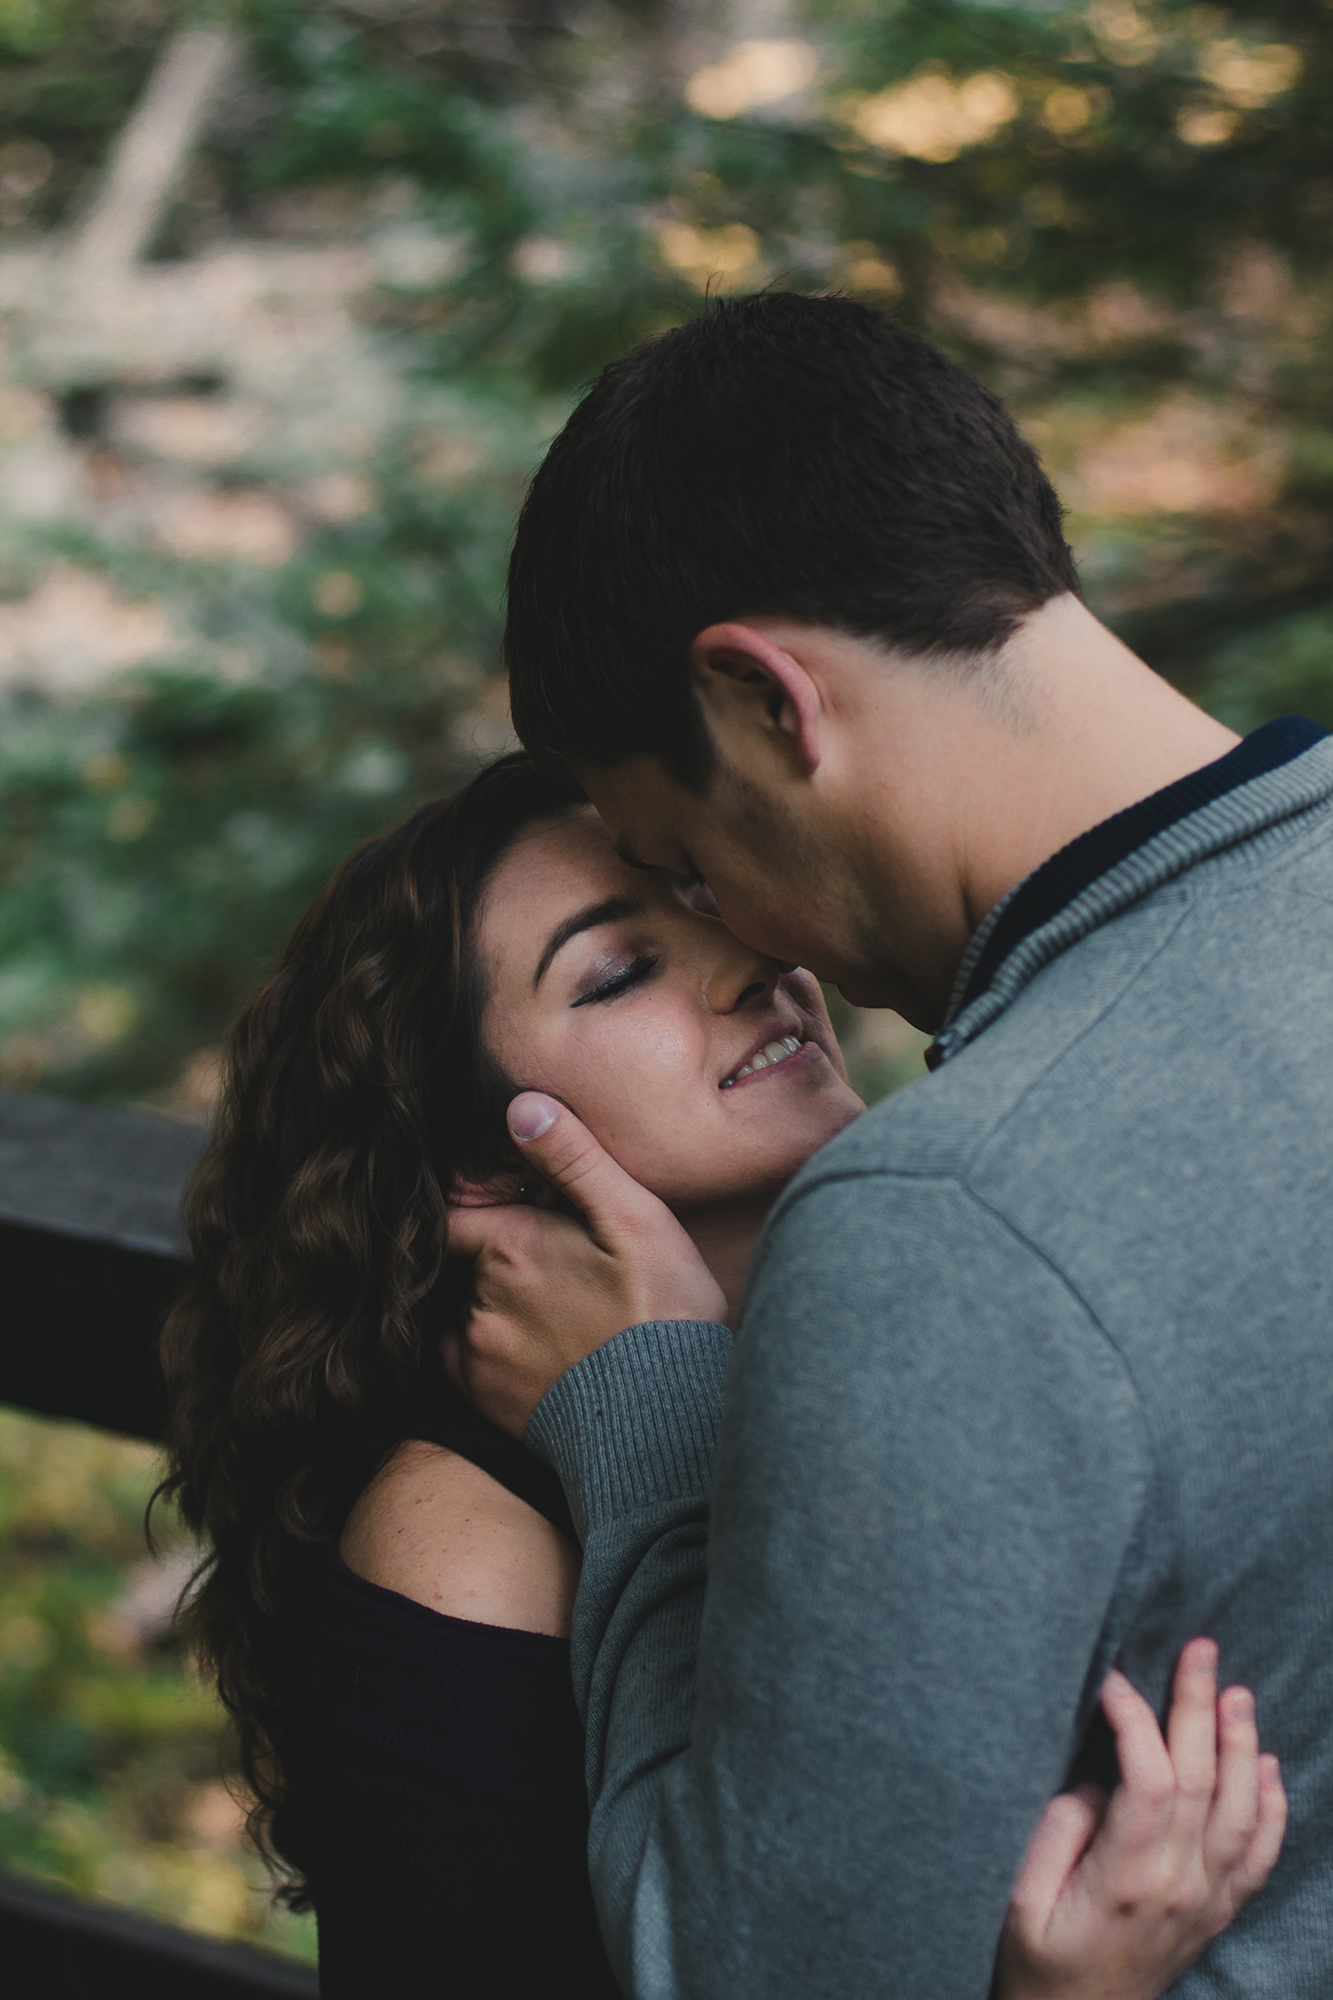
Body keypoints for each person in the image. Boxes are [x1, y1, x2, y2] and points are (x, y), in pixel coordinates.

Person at [447, 292, 1333, 1997]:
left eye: (685, 862)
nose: (744, 935)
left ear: (765, 704)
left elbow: (754, 1978)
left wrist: (648, 1425)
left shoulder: (949, 1217)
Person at [157, 754, 1283, 2000]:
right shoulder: (464, 1545)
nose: (750, 960)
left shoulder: (883, 1333)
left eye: (708, 900)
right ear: (482, 1164)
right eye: (619, 970)